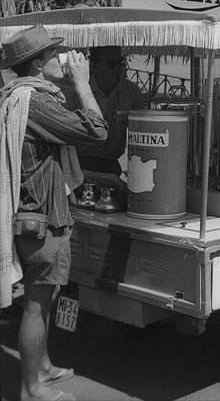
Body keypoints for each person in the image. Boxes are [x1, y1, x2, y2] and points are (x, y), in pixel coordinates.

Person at [0, 25, 107, 401]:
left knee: (43, 301)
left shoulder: (19, 97)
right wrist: (84, 84)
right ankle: (31, 389)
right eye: (55, 55)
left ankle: (42, 367)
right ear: (39, 63)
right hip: (42, 222)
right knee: (35, 304)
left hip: (37, 218)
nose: (64, 60)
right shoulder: (37, 102)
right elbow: (97, 132)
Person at [61, 46, 144, 177]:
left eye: (121, 62)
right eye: (112, 64)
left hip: (111, 166)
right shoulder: (73, 93)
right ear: (94, 66)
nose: (118, 68)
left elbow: (141, 138)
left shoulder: (132, 93)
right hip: (77, 166)